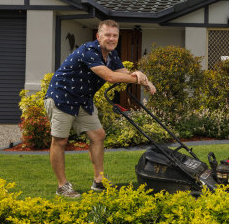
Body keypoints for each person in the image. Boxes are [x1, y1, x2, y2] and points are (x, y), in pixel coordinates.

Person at [44, 19, 156, 198]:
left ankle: (99, 180)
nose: (111, 39)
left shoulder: (112, 55)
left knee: (98, 136)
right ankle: (62, 186)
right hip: (61, 97)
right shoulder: (89, 50)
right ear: (98, 36)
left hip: (83, 99)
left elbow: (123, 73)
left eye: (115, 35)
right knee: (60, 141)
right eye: (107, 35)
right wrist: (137, 78)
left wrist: (143, 78)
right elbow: (110, 77)